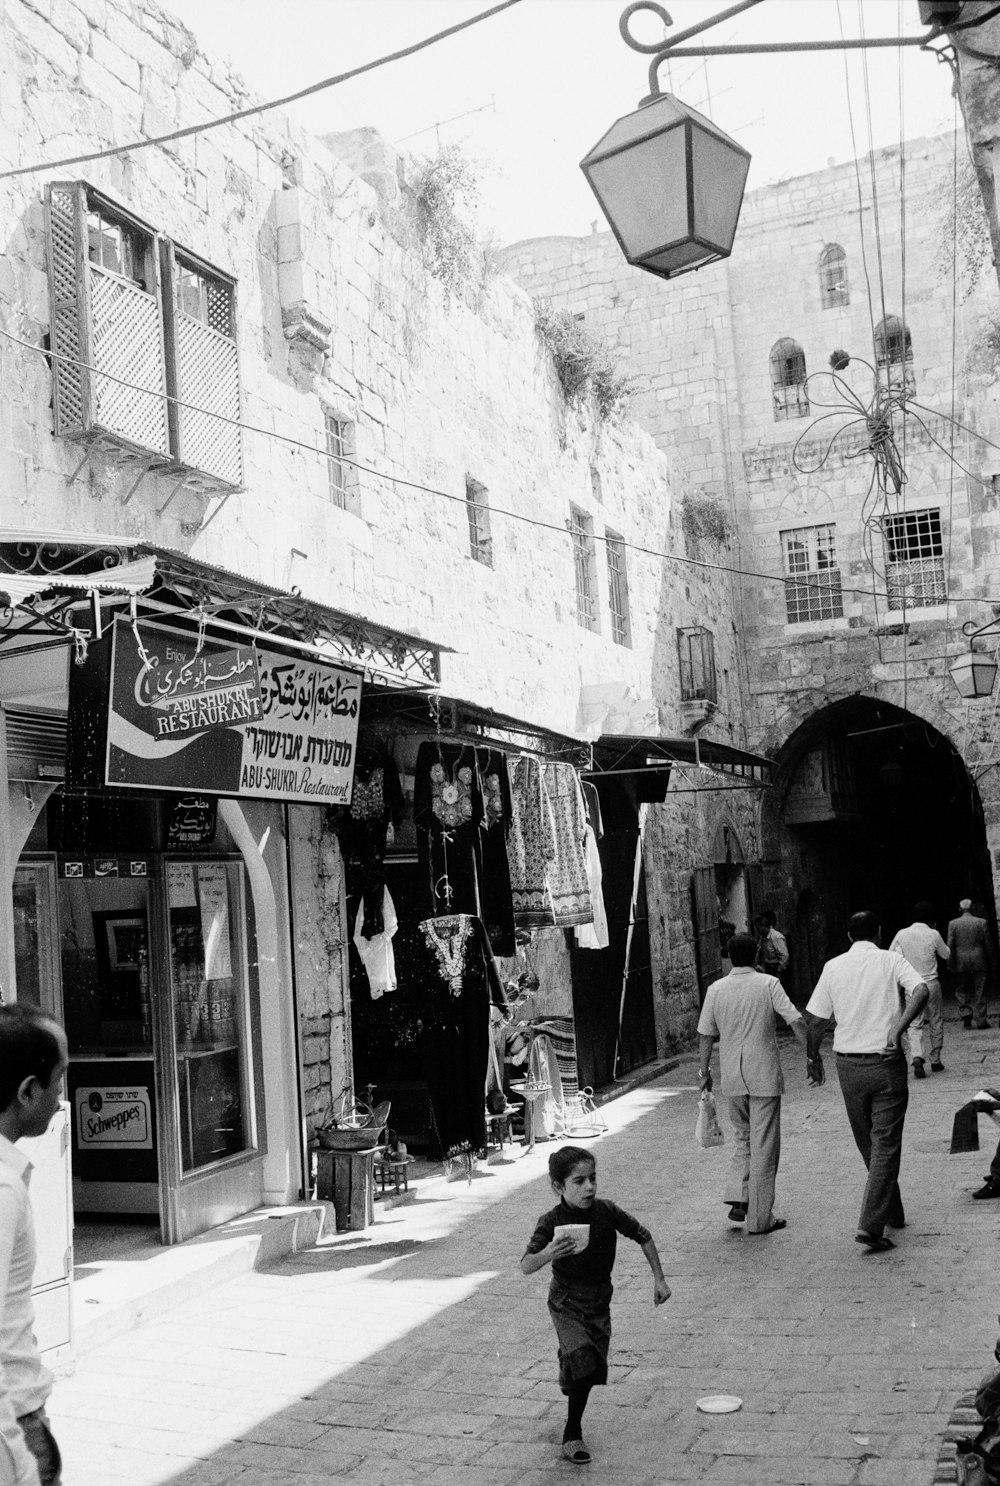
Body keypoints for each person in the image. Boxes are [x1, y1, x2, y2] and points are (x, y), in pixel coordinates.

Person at [521, 1145, 671, 1465]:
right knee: (584, 1360)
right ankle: (572, 1433)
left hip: (600, 1301)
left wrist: (659, 1279)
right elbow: (526, 1264)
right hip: (566, 1301)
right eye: (579, 1181)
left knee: (589, 1369)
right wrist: (550, 1253)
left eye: (593, 1178)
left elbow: (643, 1235)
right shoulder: (552, 1220)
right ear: (558, 1187)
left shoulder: (607, 1211)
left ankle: (570, 1364)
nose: (589, 1187)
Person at [804, 910, 928, 1254]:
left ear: (848, 936)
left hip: (849, 1067)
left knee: (870, 1144)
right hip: (885, 1063)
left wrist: (813, 1059)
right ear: (877, 932)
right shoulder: (891, 961)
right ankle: (871, 1227)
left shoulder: (833, 967)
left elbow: (815, 1021)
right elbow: (921, 990)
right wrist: (898, 1028)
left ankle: (892, 1211)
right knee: (884, 1144)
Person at [0, 1004, 68, 1486]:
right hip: (15, 1427)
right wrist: (18, 1464)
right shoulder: (2, 1189)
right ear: (27, 1091)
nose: (64, 1097)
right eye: (59, 1080)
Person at [698, 933, 807, 1234]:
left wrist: (703, 1071)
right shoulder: (768, 984)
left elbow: (706, 1033)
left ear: (729, 957)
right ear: (757, 953)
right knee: (765, 1145)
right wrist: (811, 1054)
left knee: (743, 1138)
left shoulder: (716, 989)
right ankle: (760, 1218)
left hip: (733, 1075)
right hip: (764, 1075)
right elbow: (794, 1020)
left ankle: (739, 1198)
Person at [889, 901, 950, 1076]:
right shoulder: (934, 933)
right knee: (936, 1020)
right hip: (931, 983)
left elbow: (892, 955)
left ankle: (917, 1056)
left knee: (914, 1023)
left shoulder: (902, 934)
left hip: (912, 985)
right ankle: (936, 1059)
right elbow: (946, 954)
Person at [947, 899, 994, 1030]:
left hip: (961, 960)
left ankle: (966, 1014)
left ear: (959, 909)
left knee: (961, 988)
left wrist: (950, 962)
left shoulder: (953, 924)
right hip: (979, 959)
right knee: (980, 989)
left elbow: (950, 945)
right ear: (972, 908)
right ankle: (981, 1020)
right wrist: (993, 962)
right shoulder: (982, 922)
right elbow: (988, 944)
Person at [754, 912, 789, 981]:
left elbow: (784, 956)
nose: (758, 931)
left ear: (763, 927)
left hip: (777, 968)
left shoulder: (776, 937)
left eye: (758, 929)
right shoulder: (763, 938)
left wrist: (779, 971)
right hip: (768, 967)